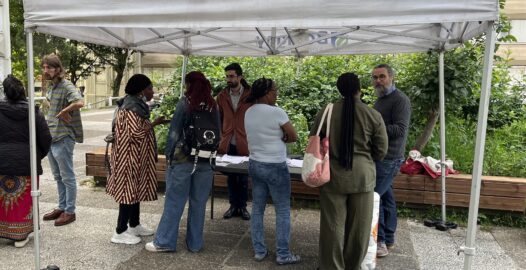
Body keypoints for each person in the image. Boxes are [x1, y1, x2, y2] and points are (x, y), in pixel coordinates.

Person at [314, 73, 388, 270]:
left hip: (332, 176)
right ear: (359, 89)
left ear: (339, 89)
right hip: (362, 178)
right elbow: (381, 151)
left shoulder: (327, 112)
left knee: (332, 227)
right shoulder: (373, 115)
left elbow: (314, 138)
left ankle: (331, 267)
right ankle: (352, 266)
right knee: (359, 230)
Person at [146, 71, 220, 253]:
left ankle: (164, 242)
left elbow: (174, 132)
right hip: (205, 159)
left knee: (174, 201)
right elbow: (219, 132)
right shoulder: (213, 105)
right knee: (198, 203)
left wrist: (169, 156)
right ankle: (195, 244)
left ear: (188, 85)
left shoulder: (185, 102)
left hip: (183, 160)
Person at [244, 78, 301, 265]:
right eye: (275, 91)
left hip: (255, 164)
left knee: (257, 209)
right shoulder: (277, 112)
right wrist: (281, 136)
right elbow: (293, 136)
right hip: (275, 166)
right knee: (283, 210)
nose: (276, 94)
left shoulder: (249, 112)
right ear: (267, 93)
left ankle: (259, 251)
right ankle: (283, 254)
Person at [106, 74, 159, 245]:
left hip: (135, 157)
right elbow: (135, 133)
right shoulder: (130, 107)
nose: (152, 91)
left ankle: (134, 224)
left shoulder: (135, 104)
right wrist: (155, 123)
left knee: (134, 191)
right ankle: (120, 231)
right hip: (128, 158)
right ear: (141, 90)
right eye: (150, 88)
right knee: (127, 193)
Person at [0, 75, 52, 247]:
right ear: (23, 91)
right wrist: (38, 155)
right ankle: (21, 236)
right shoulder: (33, 111)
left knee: (3, 201)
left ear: (5, 92)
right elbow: (46, 139)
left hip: (2, 162)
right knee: (24, 201)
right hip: (26, 163)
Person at [372, 64, 411, 258]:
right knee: (386, 198)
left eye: (382, 77)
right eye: (375, 77)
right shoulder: (380, 100)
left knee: (374, 197)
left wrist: (374, 127)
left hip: (390, 158)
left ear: (391, 78)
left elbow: (400, 130)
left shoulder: (400, 100)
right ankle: (388, 238)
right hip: (380, 157)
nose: (378, 81)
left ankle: (380, 241)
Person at [41, 54, 84, 226]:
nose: (46, 70)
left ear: (58, 69)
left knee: (67, 176)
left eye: (49, 67)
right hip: (52, 137)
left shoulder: (66, 85)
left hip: (64, 137)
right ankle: (61, 206)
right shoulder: (52, 86)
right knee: (58, 176)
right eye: (44, 67)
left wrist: (66, 111)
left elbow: (79, 102)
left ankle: (70, 211)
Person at [216, 63, 252, 220]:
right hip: (228, 141)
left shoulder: (251, 95)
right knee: (231, 176)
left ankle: (242, 207)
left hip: (245, 141)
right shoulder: (222, 96)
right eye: (227, 76)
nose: (228, 79)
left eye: (231, 76)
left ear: (240, 77)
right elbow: (219, 119)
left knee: (244, 177)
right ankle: (233, 206)